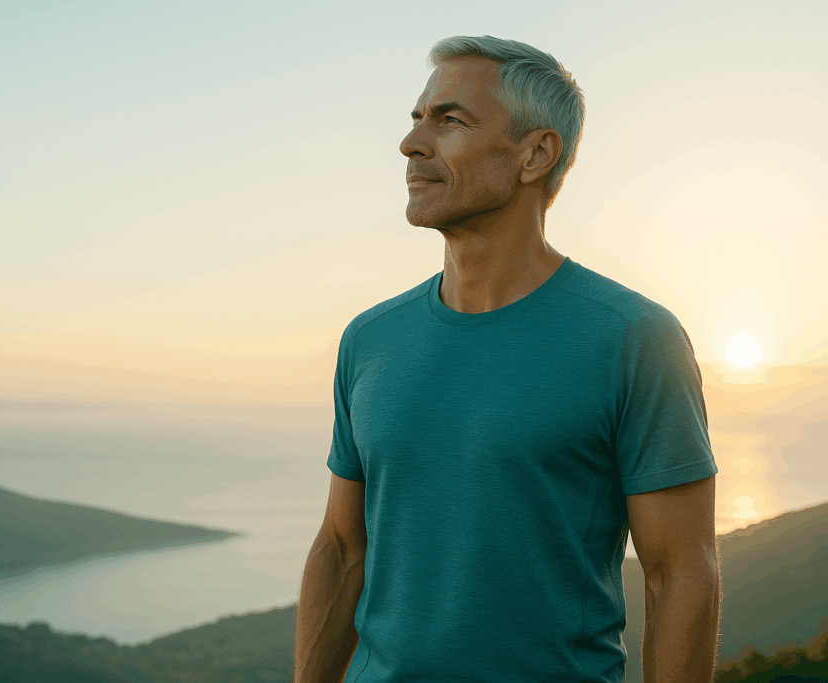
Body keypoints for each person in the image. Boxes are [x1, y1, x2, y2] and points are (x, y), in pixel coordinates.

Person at [294, 35, 721, 683]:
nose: (411, 144)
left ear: (534, 154)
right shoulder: (369, 339)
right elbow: (342, 547)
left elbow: (679, 571)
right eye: (416, 119)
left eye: (450, 120)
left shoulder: (634, 336)